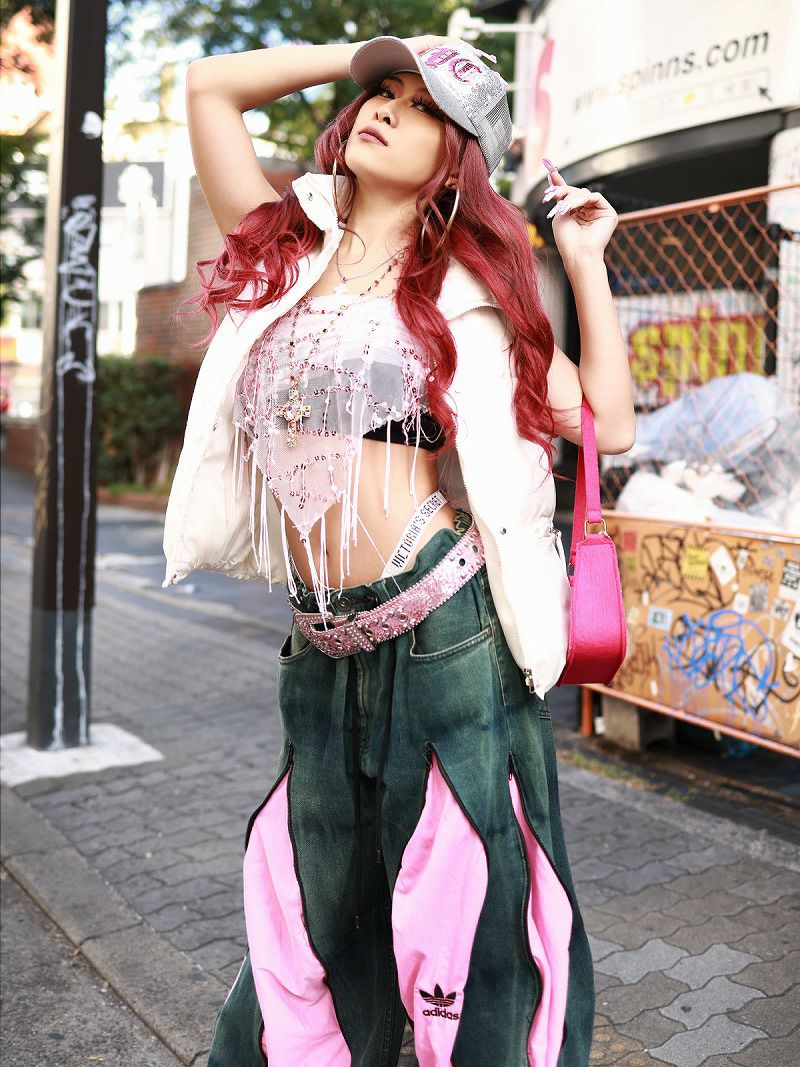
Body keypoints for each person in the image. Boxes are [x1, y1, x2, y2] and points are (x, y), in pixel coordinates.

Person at [163, 32, 635, 1067]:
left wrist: (585, 264)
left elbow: (609, 419)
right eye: (383, 93)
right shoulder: (285, 246)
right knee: (315, 903)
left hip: (443, 627)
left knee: (463, 913)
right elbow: (210, 84)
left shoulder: (467, 284)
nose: (387, 108)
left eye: (424, 108)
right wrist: (371, 53)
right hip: (318, 641)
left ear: (455, 162)